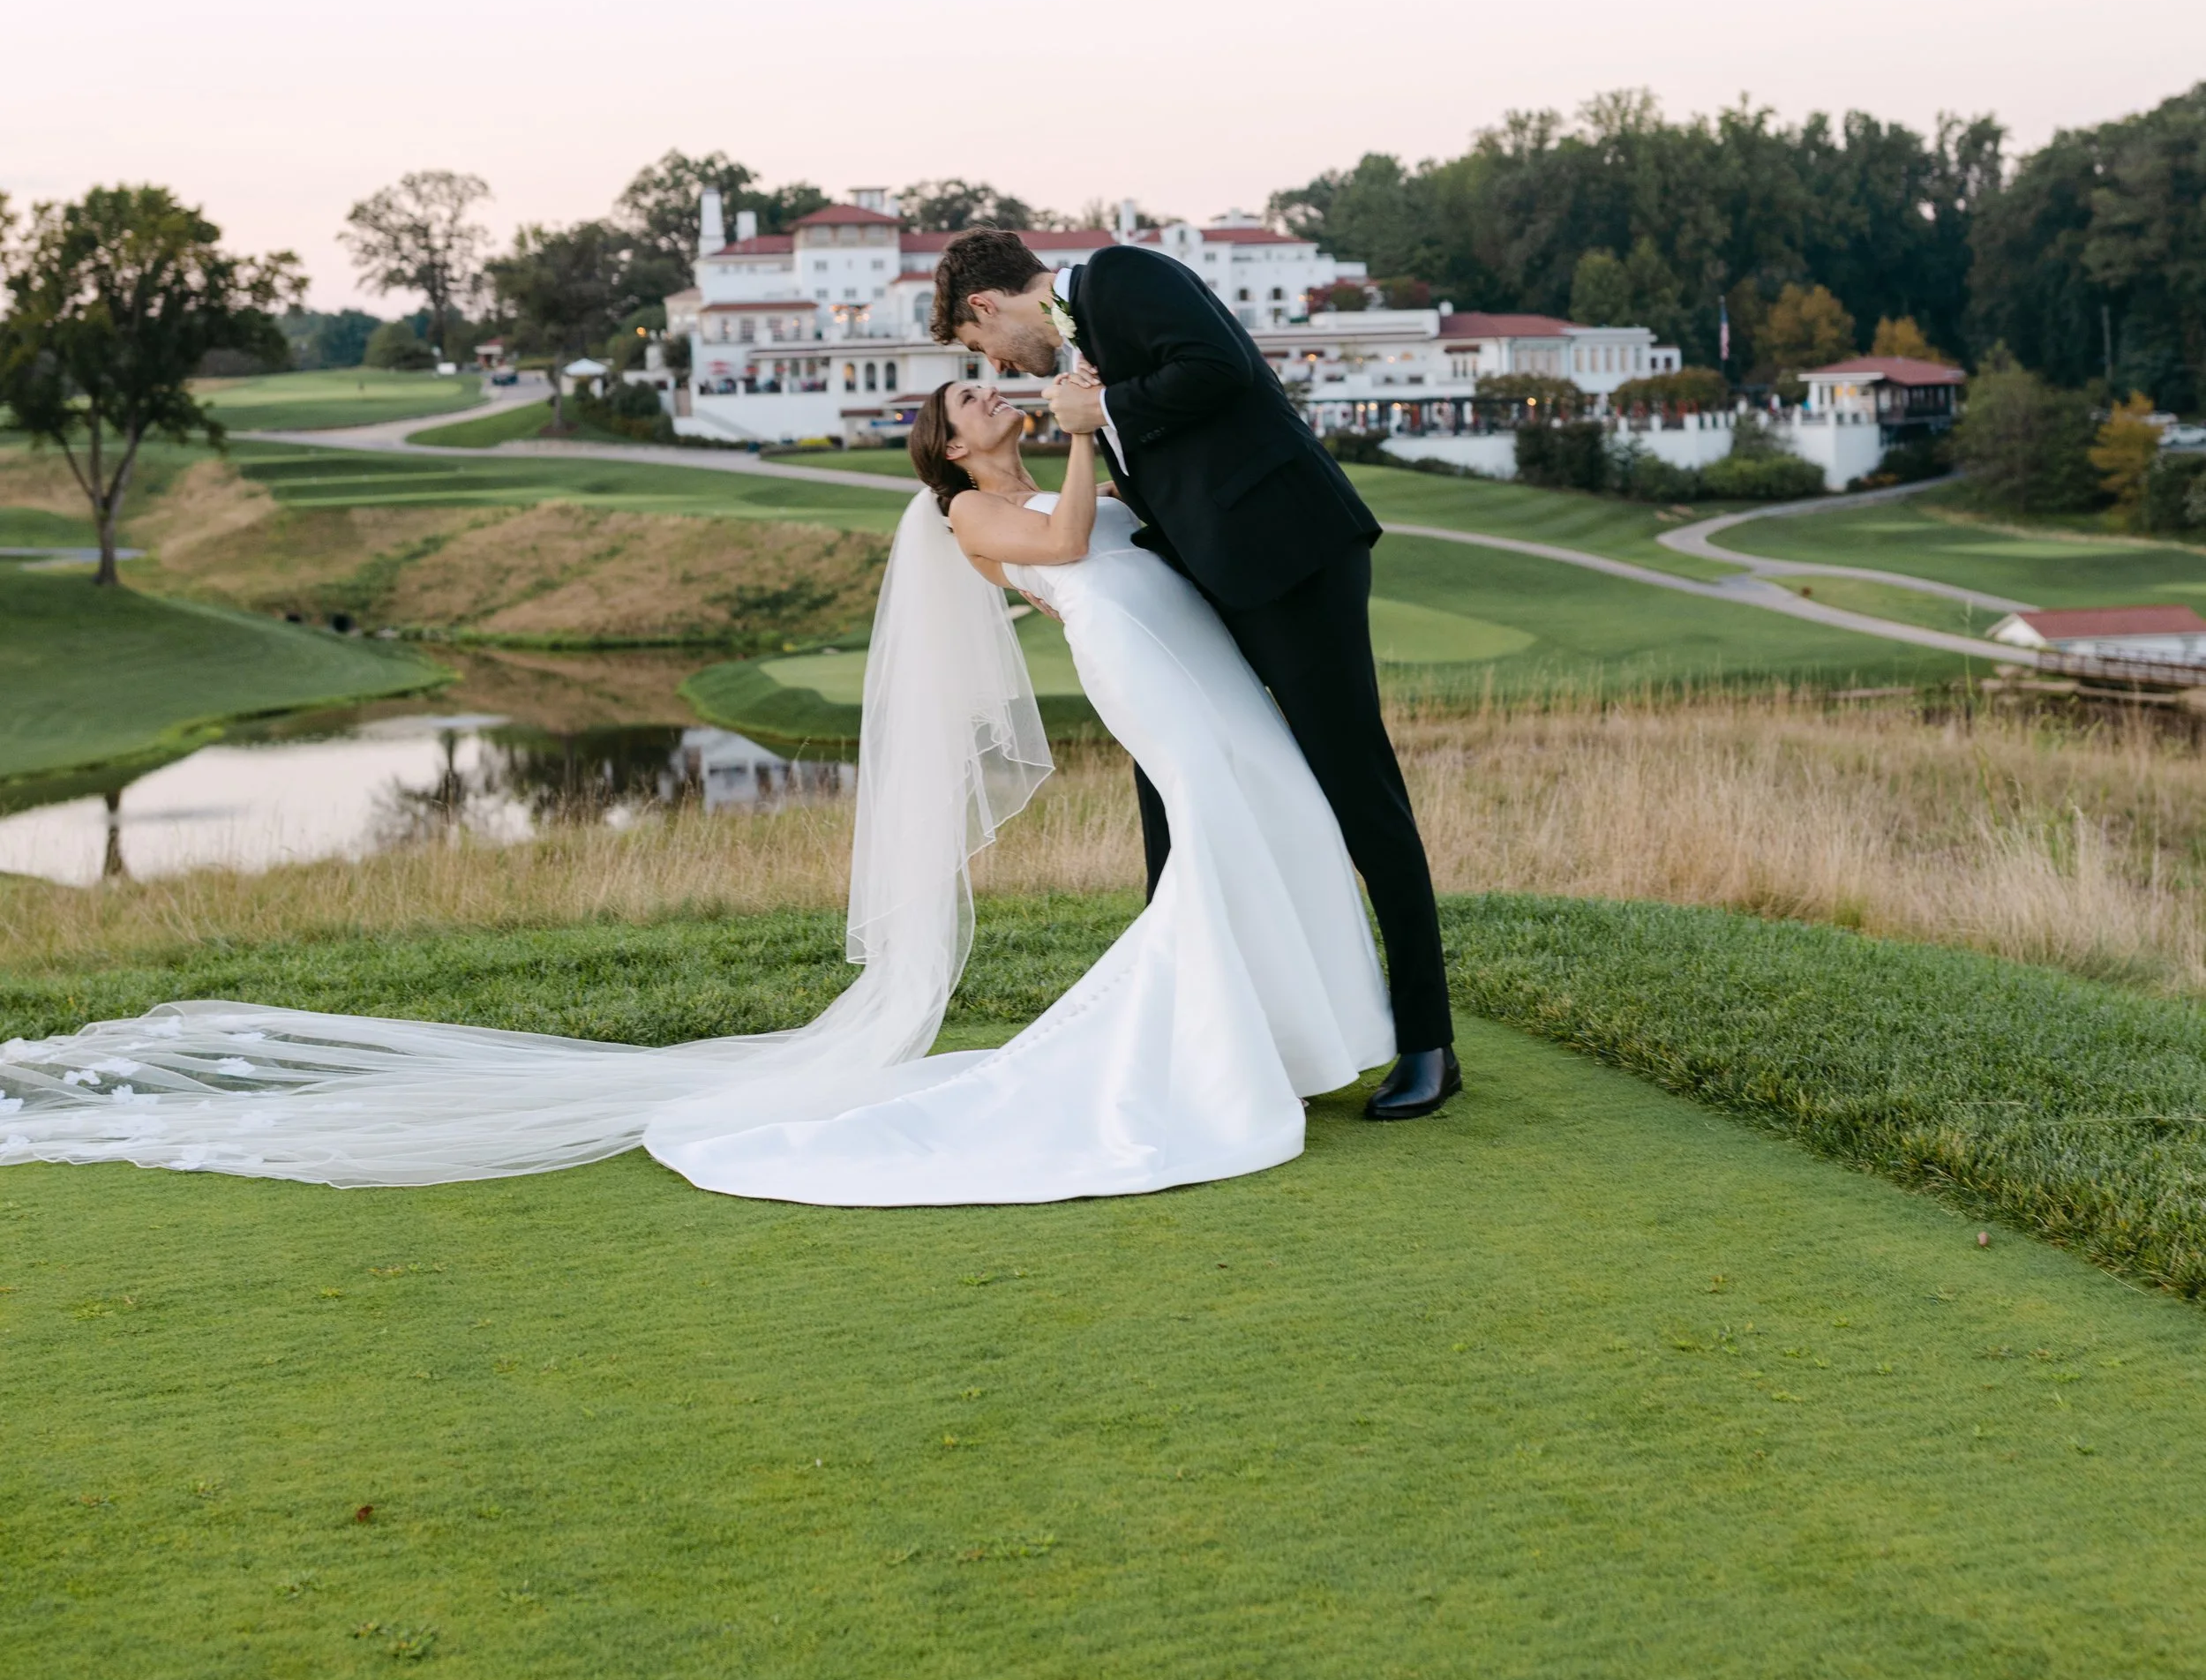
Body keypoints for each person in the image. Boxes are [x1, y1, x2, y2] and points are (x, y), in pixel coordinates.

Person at [0, 384, 1395, 1203]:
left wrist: (1096, 417)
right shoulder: (978, 514)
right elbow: (1074, 536)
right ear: (957, 454)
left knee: (1262, 827)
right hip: (1141, 678)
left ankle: (1278, 1030)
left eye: (985, 390)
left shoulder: (1018, 474)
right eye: (974, 402)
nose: (991, 398)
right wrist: (1089, 431)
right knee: (1215, 841)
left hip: (1186, 663)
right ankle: (1225, 1056)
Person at [933, 227, 1458, 1119]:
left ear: (983, 306)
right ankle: (1195, 1031)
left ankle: (1427, 1045)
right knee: (1175, 804)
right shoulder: (1086, 342)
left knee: (1356, 790)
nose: (1005, 366)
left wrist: (1101, 417)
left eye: (984, 349)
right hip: (1211, 589)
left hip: (1290, 561)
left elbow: (1223, 370)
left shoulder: (1121, 277)